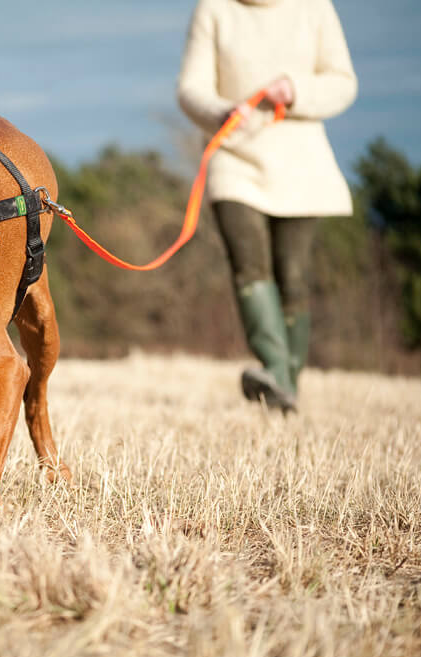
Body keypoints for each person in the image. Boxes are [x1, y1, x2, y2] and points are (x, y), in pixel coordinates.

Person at [177, 0, 358, 411]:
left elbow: (344, 83)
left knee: (292, 275)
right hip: (234, 159)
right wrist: (222, 111)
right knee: (249, 266)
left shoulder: (315, 8)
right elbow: (190, 89)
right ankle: (275, 368)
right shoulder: (214, 9)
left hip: (301, 162)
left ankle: (285, 387)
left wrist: (296, 90)